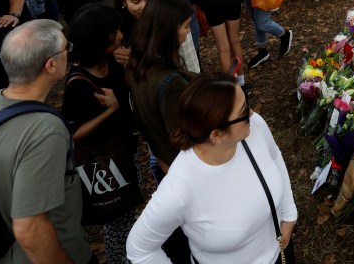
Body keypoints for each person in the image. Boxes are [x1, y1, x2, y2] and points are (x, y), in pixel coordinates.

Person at [126, 72, 297, 264]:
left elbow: (274, 156)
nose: (251, 112)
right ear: (216, 136)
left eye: (246, 100)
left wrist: (289, 214)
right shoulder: (179, 187)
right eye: (242, 112)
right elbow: (139, 249)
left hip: (279, 256)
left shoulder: (254, 127)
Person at [0, 19, 93, 263]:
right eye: (65, 49)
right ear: (50, 65)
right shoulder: (45, 131)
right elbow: (29, 228)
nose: (68, 54)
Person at [62, 4, 141, 264]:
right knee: (117, 221)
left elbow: (129, 89)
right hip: (105, 165)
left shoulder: (112, 61)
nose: (120, 35)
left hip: (125, 150)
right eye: (114, 31)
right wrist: (110, 111)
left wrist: (130, 65)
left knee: (126, 215)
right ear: (99, 38)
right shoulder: (78, 84)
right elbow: (74, 134)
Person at [127, 0, 198, 186]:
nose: (188, 32)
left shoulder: (138, 65)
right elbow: (184, 139)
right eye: (185, 26)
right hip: (182, 172)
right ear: (170, 30)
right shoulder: (170, 84)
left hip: (163, 161)